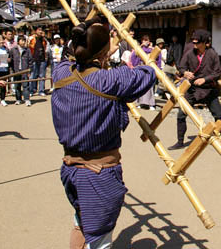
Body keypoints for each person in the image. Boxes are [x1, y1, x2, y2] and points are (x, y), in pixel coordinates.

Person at [51, 18, 156, 249]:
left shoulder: (59, 73)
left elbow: (68, 55)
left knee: (81, 222)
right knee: (99, 240)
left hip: (70, 170)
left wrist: (102, 53)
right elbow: (148, 73)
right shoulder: (110, 80)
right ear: (101, 53)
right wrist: (106, 57)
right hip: (99, 174)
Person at [168, 29, 221, 150]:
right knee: (181, 115)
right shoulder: (189, 53)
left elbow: (217, 72)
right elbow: (181, 67)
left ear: (205, 43)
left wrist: (205, 79)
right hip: (193, 89)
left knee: (219, 115)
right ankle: (180, 141)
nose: (195, 44)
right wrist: (185, 73)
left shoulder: (212, 54)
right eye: (193, 42)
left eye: (197, 42)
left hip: (209, 89)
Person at [130, 35, 159, 111]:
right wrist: (140, 46)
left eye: (147, 40)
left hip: (149, 69)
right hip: (141, 69)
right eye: (144, 40)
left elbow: (158, 58)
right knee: (140, 86)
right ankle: (140, 103)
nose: (145, 42)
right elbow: (133, 57)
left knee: (149, 87)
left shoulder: (152, 50)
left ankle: (151, 104)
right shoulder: (139, 49)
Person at [10, 35, 33, 106]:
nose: (23, 42)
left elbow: (30, 61)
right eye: (22, 40)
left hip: (25, 70)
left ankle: (27, 99)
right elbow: (10, 60)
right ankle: (18, 99)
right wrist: (11, 70)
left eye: (24, 41)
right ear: (18, 41)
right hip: (16, 71)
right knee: (17, 86)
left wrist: (29, 70)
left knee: (26, 86)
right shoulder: (13, 50)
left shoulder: (27, 50)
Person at [29, 26, 48, 96]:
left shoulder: (44, 40)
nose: (41, 31)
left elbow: (46, 47)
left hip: (42, 59)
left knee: (42, 76)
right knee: (33, 75)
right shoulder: (32, 38)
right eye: (39, 30)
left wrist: (44, 37)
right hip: (34, 59)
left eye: (41, 30)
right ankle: (31, 90)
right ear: (36, 31)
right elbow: (29, 46)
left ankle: (41, 90)